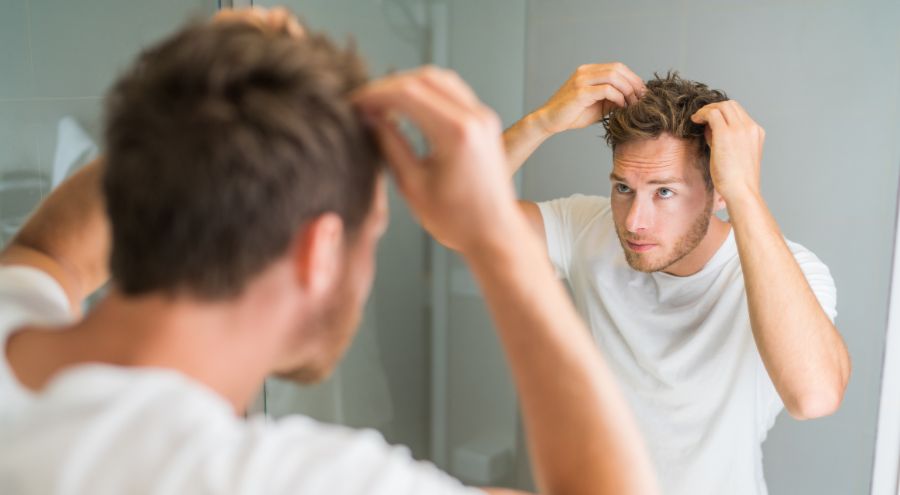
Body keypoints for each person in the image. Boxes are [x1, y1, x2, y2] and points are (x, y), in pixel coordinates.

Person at [0, 9, 658, 495]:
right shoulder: (271, 478)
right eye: (373, 229)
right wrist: (491, 233)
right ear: (319, 249)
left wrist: (205, 99)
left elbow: (48, 250)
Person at [502, 65, 851, 494]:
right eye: (624, 188)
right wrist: (540, 122)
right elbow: (459, 222)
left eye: (664, 192)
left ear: (718, 190)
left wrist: (745, 193)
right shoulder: (585, 228)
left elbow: (814, 397)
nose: (635, 222)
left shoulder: (787, 270)